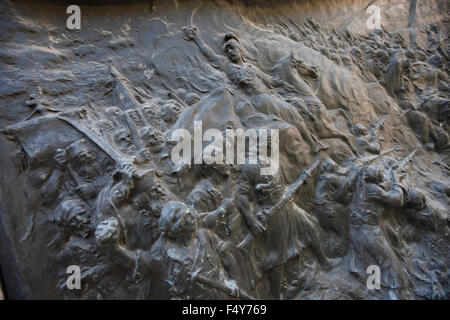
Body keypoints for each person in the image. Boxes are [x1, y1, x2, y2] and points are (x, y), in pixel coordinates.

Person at [183, 27, 328, 153]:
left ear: (240, 51)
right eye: (227, 51)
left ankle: (313, 143)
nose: (229, 52)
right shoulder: (228, 66)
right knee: (292, 112)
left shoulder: (252, 67)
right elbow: (210, 56)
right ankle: (313, 143)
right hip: (257, 99)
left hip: (268, 96)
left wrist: (285, 82)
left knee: (295, 109)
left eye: (232, 48)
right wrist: (197, 39)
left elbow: (269, 80)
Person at [96, 198, 238, 299]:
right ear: (178, 225)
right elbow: (139, 262)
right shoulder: (163, 250)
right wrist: (114, 247)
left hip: (218, 294)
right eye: (188, 215)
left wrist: (231, 280)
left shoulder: (206, 237)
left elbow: (226, 255)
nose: (193, 216)